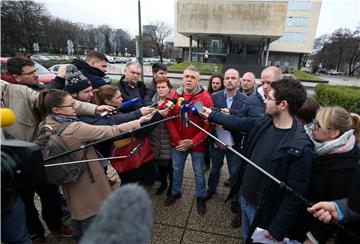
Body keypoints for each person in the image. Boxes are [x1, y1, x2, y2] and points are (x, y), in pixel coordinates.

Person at [200, 76, 313, 242]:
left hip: (264, 211)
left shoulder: (301, 147)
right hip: (245, 200)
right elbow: (237, 122)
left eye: (269, 98)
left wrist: (278, 227)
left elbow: (295, 195)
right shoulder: (265, 121)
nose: (265, 101)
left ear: (283, 105)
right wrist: (211, 114)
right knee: (246, 237)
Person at [37, 89, 153, 240]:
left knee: (77, 209)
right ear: (56, 109)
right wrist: (139, 121)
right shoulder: (74, 128)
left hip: (67, 175)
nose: (75, 108)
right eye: (71, 105)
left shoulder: (46, 123)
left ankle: (78, 233)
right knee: (91, 211)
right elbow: (113, 130)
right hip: (86, 178)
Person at [290, 106, 360, 244]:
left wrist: (313, 238)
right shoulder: (315, 146)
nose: (311, 128)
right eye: (313, 122)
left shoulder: (347, 166)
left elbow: (334, 210)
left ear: (334, 133)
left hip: (310, 227)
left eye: (317, 125)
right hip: (297, 216)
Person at [164, 66, 213, 216]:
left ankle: (200, 196)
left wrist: (193, 141)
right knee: (177, 169)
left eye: (193, 77)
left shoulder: (203, 98)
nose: (189, 80)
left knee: (198, 172)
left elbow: (208, 124)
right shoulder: (174, 95)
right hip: (178, 143)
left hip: (197, 144)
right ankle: (175, 192)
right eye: (186, 76)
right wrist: (178, 140)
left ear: (198, 80)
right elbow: (168, 117)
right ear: (182, 79)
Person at [205, 69, 246, 217]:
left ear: (238, 81)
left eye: (233, 78)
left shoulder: (244, 99)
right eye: (227, 78)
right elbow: (205, 117)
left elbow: (245, 119)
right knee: (215, 169)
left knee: (235, 172)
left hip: (234, 144)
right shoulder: (214, 97)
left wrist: (232, 114)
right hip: (217, 142)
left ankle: (235, 197)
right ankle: (210, 190)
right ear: (224, 81)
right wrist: (214, 139)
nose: (229, 80)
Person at [149, 77, 174, 195]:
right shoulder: (153, 100)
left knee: (171, 166)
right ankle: (163, 184)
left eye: (163, 87)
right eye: (158, 87)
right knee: (160, 165)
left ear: (169, 88)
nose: (160, 89)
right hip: (155, 140)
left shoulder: (174, 100)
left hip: (168, 139)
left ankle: (172, 186)